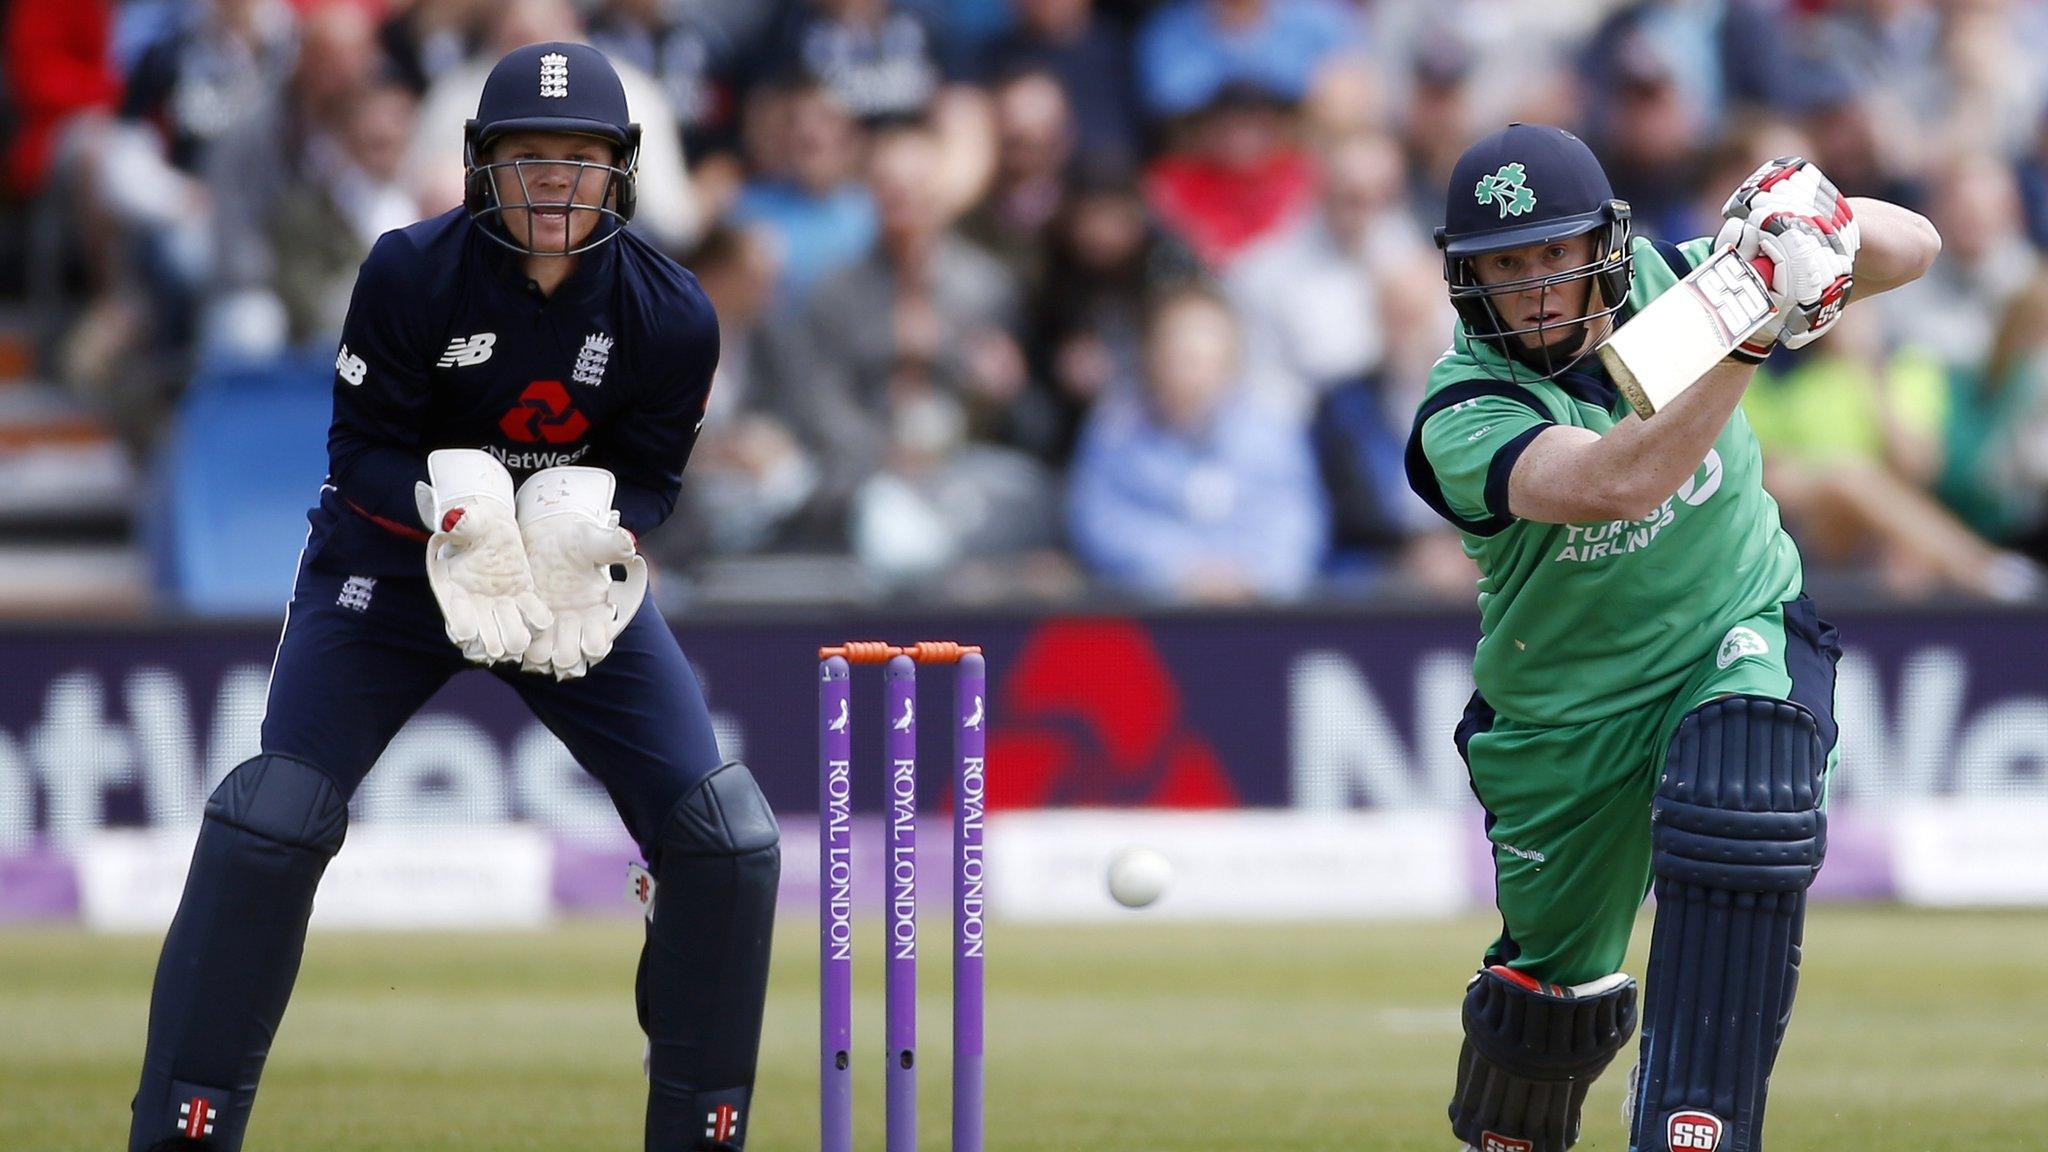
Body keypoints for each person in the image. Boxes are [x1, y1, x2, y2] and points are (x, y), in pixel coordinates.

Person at [126, 43, 777, 1152]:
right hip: (389, 569)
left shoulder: (671, 312)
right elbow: (359, 455)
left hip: (561, 583)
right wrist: (450, 507)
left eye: (579, 162)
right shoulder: (408, 272)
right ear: (481, 167)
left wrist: (598, 521)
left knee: (725, 839)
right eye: (529, 160)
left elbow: (656, 480)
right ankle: (182, 1132)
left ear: (620, 172)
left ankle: (701, 1134)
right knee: (268, 818)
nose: (553, 185)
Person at [1403, 124, 1939, 1152]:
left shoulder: (1683, 289)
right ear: (1465, 280)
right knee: (1549, 1000)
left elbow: (1912, 244)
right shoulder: (1462, 409)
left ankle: (1691, 1126)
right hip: (1565, 718)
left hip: (1730, 624)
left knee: (1744, 792)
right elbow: (1615, 479)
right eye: (1505, 265)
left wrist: (1809, 228)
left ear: (1600, 243)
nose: (1536, 287)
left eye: (1555, 253)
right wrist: (1748, 330)